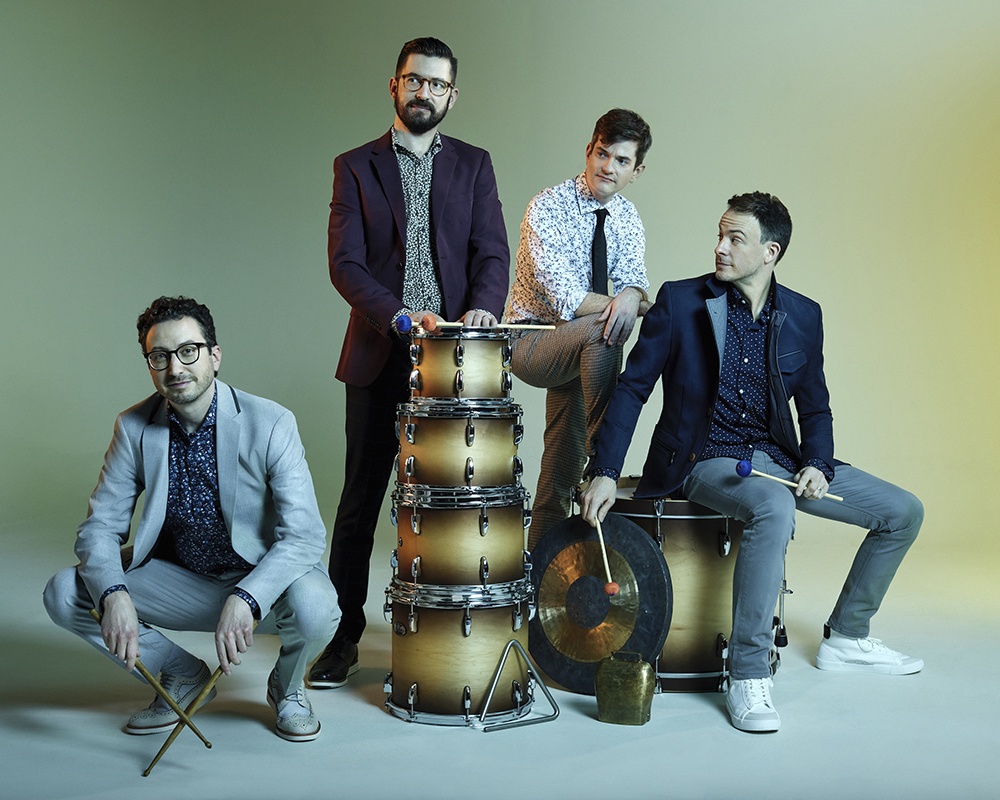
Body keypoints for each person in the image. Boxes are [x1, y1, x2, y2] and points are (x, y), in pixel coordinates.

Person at [580, 192, 923, 733]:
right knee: (773, 507)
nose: (719, 247)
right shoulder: (680, 301)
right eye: (719, 234)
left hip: (779, 456)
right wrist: (603, 468)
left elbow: (815, 405)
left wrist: (817, 464)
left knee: (904, 512)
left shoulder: (805, 316)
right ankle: (747, 673)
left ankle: (849, 637)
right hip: (704, 457)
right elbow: (632, 389)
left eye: (735, 238)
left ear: (770, 251)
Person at [43, 296, 338, 743]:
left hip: (261, 583)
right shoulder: (133, 426)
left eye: (188, 351)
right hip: (179, 580)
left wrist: (248, 595)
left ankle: (287, 687)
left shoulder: (272, 422)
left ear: (214, 356)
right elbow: (100, 528)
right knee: (66, 592)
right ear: (150, 364)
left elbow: (303, 536)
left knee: (316, 608)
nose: (175, 368)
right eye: (159, 356)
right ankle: (182, 675)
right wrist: (115, 594)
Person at [310, 37, 509, 689]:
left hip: (454, 359)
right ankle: (340, 639)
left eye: (438, 84)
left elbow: (492, 253)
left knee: (449, 503)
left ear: (453, 95)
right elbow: (345, 266)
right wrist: (399, 316)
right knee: (361, 501)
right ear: (394, 86)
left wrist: (481, 309)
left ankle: (442, 635)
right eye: (414, 81)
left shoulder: (475, 166)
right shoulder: (355, 166)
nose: (425, 92)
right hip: (379, 353)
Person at [504, 109, 652, 548]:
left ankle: (537, 582)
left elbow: (637, 284)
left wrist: (634, 296)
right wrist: (629, 300)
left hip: (584, 355)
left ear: (636, 171)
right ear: (588, 151)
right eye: (602, 154)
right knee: (603, 326)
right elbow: (568, 302)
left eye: (621, 161)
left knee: (559, 474)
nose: (608, 167)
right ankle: (604, 456)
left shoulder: (627, 218)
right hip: (532, 341)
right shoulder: (547, 207)